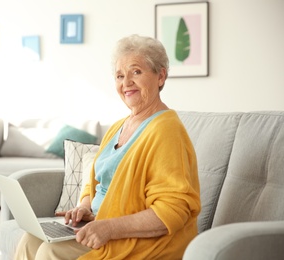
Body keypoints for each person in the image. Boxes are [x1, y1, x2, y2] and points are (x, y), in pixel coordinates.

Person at [14, 34, 201, 260]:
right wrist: (84, 207)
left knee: (49, 251)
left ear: (160, 76)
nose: (126, 83)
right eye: (119, 76)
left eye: (136, 72)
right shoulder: (117, 128)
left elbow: (173, 211)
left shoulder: (166, 130)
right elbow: (96, 183)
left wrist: (108, 228)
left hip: (138, 241)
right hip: (100, 226)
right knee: (30, 239)